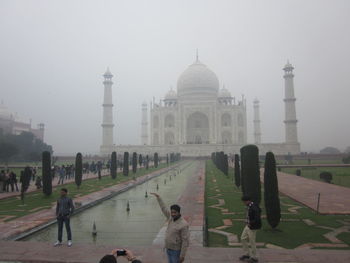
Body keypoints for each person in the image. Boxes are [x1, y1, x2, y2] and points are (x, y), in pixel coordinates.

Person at [151, 193, 189, 263]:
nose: (173, 214)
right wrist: (159, 198)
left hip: (176, 251)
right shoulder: (171, 218)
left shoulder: (183, 224)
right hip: (168, 248)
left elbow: (185, 241)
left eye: (175, 212)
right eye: (172, 212)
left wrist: (182, 255)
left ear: (179, 212)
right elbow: (164, 208)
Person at [239, 196, 262, 263]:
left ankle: (255, 257)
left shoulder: (254, 207)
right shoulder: (250, 206)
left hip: (252, 227)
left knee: (252, 241)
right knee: (243, 238)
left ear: (248, 201)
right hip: (248, 225)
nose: (244, 203)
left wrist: (250, 223)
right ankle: (247, 254)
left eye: (244, 202)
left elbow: (257, 218)